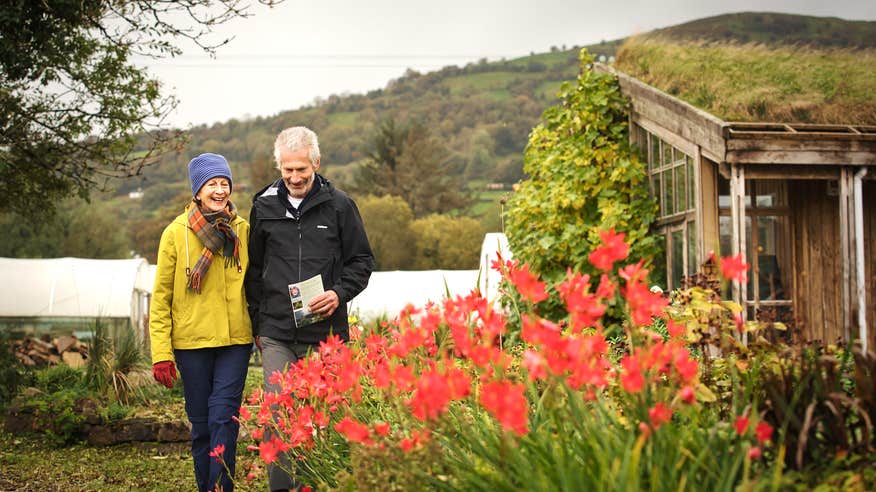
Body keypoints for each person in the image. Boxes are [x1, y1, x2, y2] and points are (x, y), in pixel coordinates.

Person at [246, 126, 374, 491]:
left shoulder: (340, 206)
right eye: (287, 170)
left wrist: (338, 293)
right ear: (279, 166)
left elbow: (362, 261)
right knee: (277, 414)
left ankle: (324, 484)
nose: (294, 177)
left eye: (301, 169)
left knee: (329, 415)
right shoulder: (263, 206)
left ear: (316, 163)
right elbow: (253, 271)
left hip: (327, 334)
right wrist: (259, 324)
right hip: (277, 333)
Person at [149, 153, 253, 492]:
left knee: (224, 420)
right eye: (212, 184)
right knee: (202, 426)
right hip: (192, 344)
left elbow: (257, 282)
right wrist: (161, 353)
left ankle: (221, 489)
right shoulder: (175, 234)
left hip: (235, 341)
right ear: (197, 191)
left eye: (225, 184)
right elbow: (161, 298)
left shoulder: (242, 230)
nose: (220, 191)